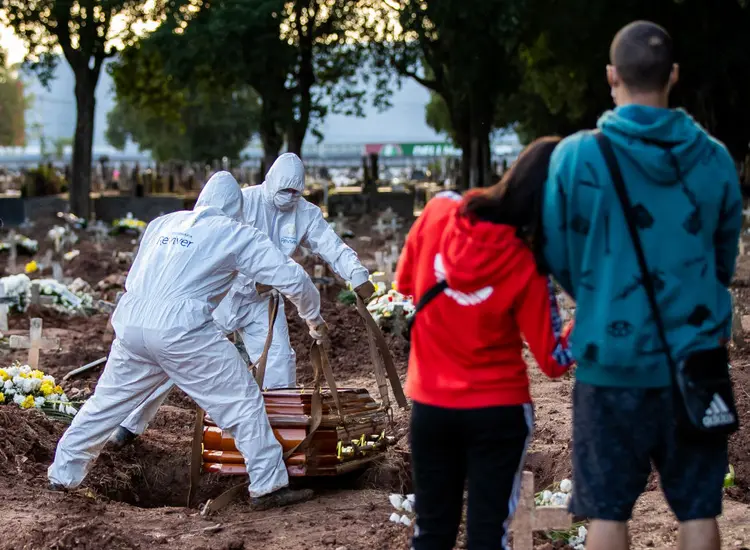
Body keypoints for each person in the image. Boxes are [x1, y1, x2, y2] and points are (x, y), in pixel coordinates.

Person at [542, 21, 743, 550]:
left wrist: (600, 293)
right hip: (695, 363)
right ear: (673, 75)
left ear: (612, 76)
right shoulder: (716, 159)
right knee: (699, 512)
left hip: (610, 362)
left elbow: (559, 253)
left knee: (607, 512)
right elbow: (723, 260)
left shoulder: (576, 157)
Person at [48, 171, 327, 509]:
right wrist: (314, 320)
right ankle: (268, 485)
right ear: (236, 209)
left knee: (104, 405)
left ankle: (62, 474)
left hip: (132, 324)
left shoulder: (162, 224)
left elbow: (136, 276)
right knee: (242, 400)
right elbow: (293, 278)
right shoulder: (235, 233)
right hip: (182, 330)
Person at [109, 152, 374, 446]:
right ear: (269, 182)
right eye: (283, 190)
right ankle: (129, 424)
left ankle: (281, 434)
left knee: (278, 361)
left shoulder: (305, 214)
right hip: (220, 295)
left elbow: (331, 246)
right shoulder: (243, 201)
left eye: (294, 192)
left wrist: (357, 274)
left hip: (261, 302)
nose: (288, 197)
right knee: (173, 354)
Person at [396, 137, 574, 550]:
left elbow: (405, 285)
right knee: (487, 537)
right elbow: (554, 359)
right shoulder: (529, 263)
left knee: (431, 533)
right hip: (498, 411)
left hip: (431, 407)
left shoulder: (438, 213)